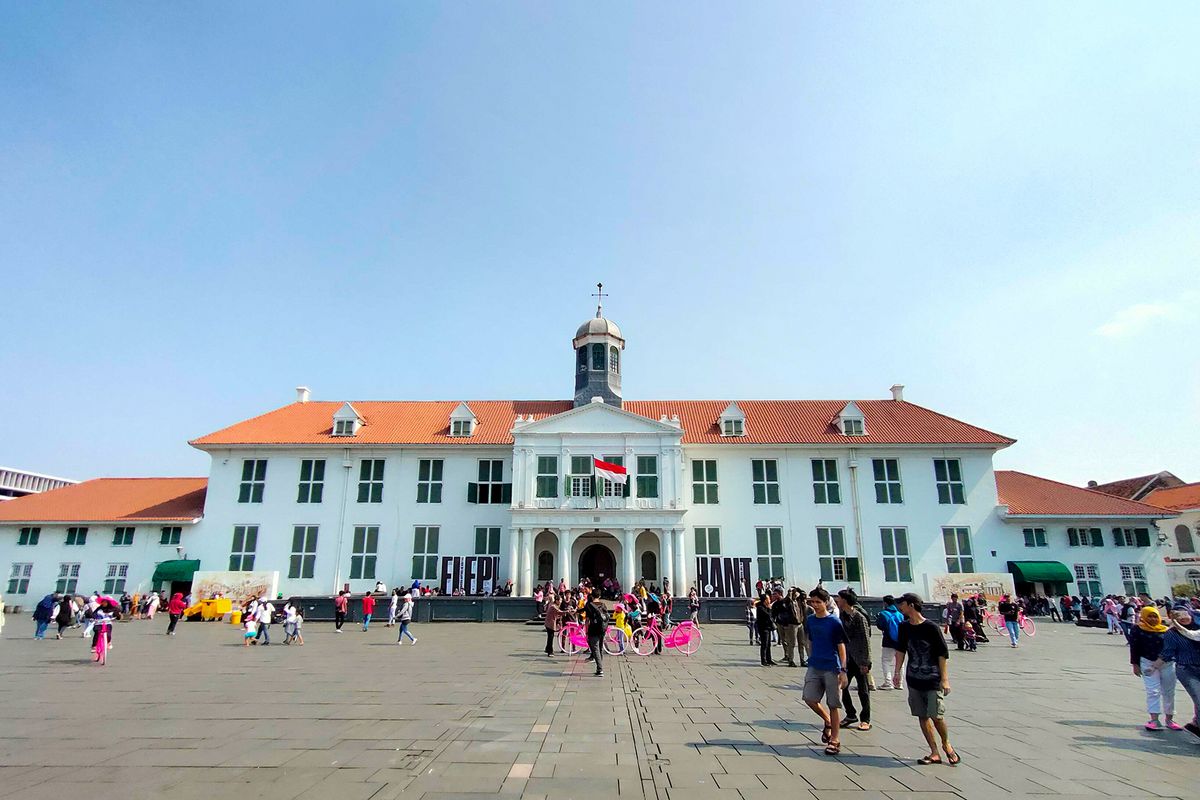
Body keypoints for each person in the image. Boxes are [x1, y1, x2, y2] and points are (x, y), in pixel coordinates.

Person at [893, 593, 958, 765]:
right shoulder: (904, 626)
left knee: (936, 715)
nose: (901, 607)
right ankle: (934, 751)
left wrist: (945, 679)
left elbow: (942, 654)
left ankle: (946, 744)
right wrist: (897, 672)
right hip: (914, 678)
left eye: (903, 604)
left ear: (912, 605)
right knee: (922, 715)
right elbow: (900, 650)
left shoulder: (931, 627)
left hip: (932, 678)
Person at [802, 588, 848, 756]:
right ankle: (827, 720)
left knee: (834, 704)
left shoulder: (834, 622)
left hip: (832, 666)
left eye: (818, 602)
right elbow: (811, 640)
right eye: (812, 602)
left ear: (826, 602)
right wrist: (811, 657)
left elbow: (841, 646)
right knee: (809, 698)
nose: (815, 605)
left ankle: (834, 739)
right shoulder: (810, 620)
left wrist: (843, 669)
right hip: (815, 664)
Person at [1129, 606, 1179, 731]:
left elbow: (1173, 647)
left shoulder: (1167, 630)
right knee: (1153, 691)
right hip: (1147, 662)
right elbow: (1134, 647)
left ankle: (1169, 719)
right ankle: (1154, 719)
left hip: (1166, 663)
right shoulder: (1137, 629)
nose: (1152, 619)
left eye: (1155, 616)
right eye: (1149, 616)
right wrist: (1135, 664)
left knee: (1169, 691)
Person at [1158, 609, 1200, 738]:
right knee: (1199, 698)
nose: (1183, 618)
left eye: (1186, 615)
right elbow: (1167, 652)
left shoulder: (1197, 629)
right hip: (1187, 669)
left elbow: (1192, 635)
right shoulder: (1171, 634)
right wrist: (1154, 666)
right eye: (1178, 617)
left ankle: (1196, 725)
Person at [835, 589, 872, 731]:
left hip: (859, 658)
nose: (837, 600)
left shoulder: (859, 617)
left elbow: (865, 640)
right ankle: (850, 714)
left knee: (863, 690)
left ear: (845, 600)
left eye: (839, 598)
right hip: (847, 658)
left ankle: (865, 719)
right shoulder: (843, 615)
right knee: (842, 686)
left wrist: (866, 662)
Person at [876, 595, 904, 689]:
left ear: (885, 603)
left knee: (886, 661)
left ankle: (888, 682)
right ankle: (899, 683)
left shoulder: (883, 614)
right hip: (900, 641)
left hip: (888, 641)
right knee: (900, 662)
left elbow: (880, 626)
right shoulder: (900, 614)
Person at [771, 587, 801, 667]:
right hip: (779, 623)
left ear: (780, 594)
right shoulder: (775, 604)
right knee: (783, 640)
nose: (773, 595)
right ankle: (786, 655)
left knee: (788, 640)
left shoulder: (786, 602)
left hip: (787, 623)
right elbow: (773, 614)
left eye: (775, 594)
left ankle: (789, 656)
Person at [584, 591, 608, 677]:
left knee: (595, 648)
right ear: (600, 595)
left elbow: (587, 620)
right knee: (600, 648)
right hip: (602, 629)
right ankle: (599, 667)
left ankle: (600, 669)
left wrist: (586, 632)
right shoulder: (603, 604)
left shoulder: (589, 605)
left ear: (592, 596)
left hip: (593, 629)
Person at [756, 593, 777, 666]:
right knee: (764, 645)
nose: (770, 600)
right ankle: (763, 660)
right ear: (765, 600)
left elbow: (771, 615)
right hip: (763, 628)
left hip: (768, 627)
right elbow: (768, 615)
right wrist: (769, 608)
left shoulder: (766, 607)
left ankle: (769, 659)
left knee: (768, 644)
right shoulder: (760, 607)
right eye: (768, 599)